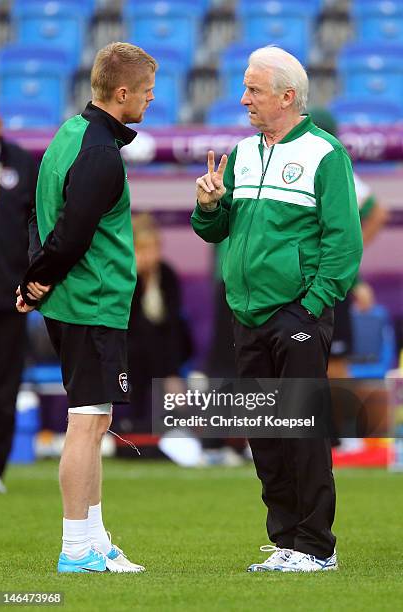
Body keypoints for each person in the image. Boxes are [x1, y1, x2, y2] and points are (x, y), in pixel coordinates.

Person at [191, 46, 363, 572]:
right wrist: (209, 206)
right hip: (246, 317)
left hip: (297, 317)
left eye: (254, 90)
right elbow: (217, 233)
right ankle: (287, 541)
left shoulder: (326, 155)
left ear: (287, 97)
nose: (243, 99)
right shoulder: (241, 154)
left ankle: (316, 547)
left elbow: (345, 244)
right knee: (264, 438)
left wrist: (310, 309)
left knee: (301, 434)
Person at [16, 42, 158, 574]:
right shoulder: (99, 152)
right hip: (91, 303)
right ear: (122, 93)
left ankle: (96, 539)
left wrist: (35, 278)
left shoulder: (66, 135)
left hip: (75, 301)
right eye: (145, 93)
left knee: (94, 423)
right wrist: (37, 281)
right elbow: (72, 235)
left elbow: (38, 215)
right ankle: (76, 547)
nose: (149, 101)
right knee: (87, 423)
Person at [309, 107, 389, 380]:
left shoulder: (334, 167)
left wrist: (350, 264)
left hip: (326, 283)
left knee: (335, 364)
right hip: (302, 283)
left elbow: (376, 214)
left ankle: (338, 423)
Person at [0, 108, 38, 493]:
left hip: (8, 296)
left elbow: (35, 222)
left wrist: (30, 275)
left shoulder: (21, 163)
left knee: (5, 384)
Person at [126, 213, 193, 432]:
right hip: (132, 352)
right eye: (144, 249)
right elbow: (131, 324)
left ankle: (171, 423)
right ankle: (137, 427)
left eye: (154, 249)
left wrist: (172, 371)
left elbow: (172, 325)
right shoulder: (126, 277)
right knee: (141, 343)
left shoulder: (167, 275)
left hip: (165, 353)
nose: (150, 255)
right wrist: (139, 279)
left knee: (163, 337)